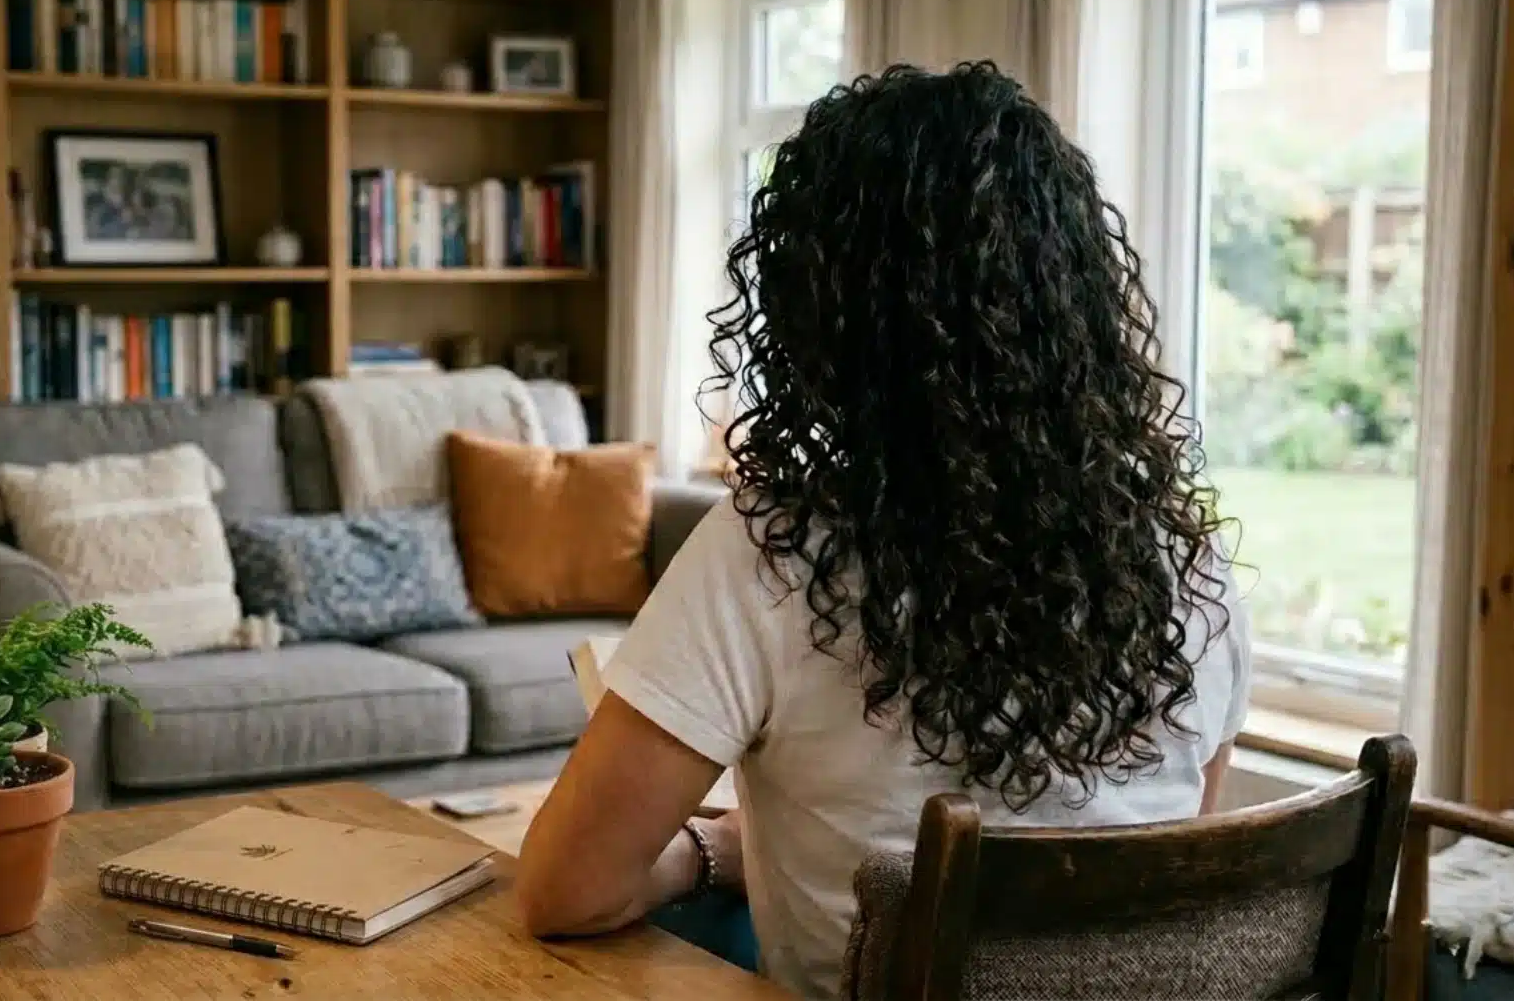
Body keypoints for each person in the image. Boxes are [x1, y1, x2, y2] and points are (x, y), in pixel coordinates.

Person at [514, 61, 1251, 999]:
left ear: (818, 313)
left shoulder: (776, 551)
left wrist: (713, 853)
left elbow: (566, 891)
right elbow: (1177, 853)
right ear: (1078, 295)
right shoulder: (1185, 561)